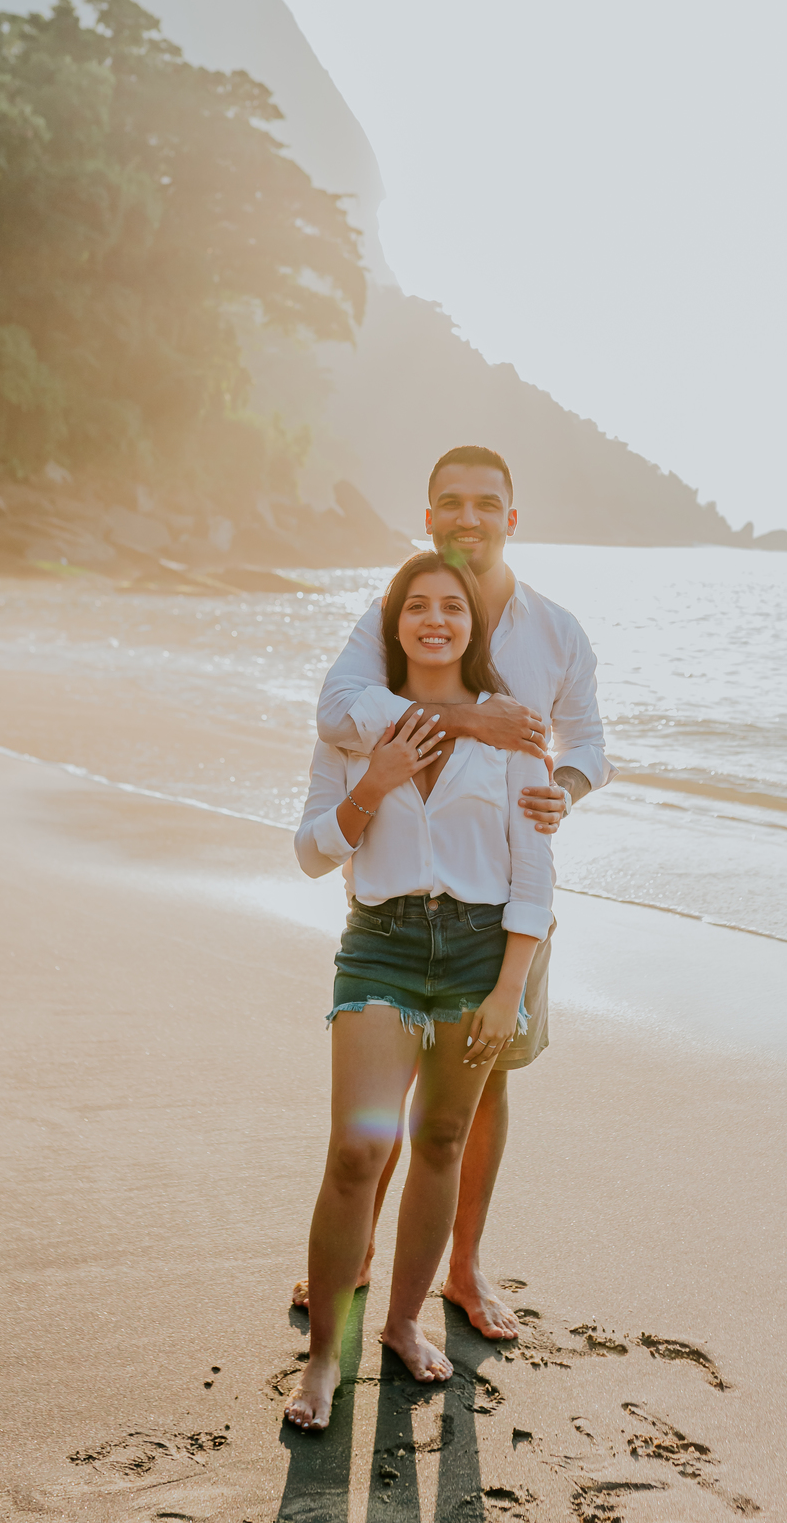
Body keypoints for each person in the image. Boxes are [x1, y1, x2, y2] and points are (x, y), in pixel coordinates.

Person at [296, 445, 613, 1341]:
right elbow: (338, 709)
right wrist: (469, 716)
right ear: (427, 518)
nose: (466, 518)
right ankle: (355, 1255)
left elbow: (588, 740)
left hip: (510, 889)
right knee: (378, 1103)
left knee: (482, 1086)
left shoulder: (557, 631)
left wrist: (569, 789)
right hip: (409, 902)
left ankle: (463, 1267)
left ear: (512, 519)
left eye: (485, 505)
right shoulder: (400, 611)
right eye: (449, 505)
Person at [286, 551, 554, 1430]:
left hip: (480, 954)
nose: (434, 620)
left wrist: (509, 988)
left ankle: (403, 1322)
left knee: (440, 1139)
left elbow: (532, 876)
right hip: (382, 948)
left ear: (474, 625)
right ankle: (324, 1358)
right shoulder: (357, 722)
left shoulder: (512, 731)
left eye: (452, 607)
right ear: (392, 621)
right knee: (357, 1153)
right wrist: (374, 784)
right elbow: (314, 851)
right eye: (416, 607)